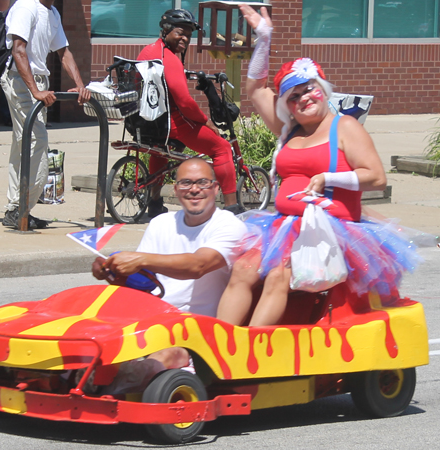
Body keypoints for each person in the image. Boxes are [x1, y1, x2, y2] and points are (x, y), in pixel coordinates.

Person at [217, 4, 421, 327]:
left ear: (323, 90)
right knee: (242, 269)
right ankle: (218, 346)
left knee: (277, 276)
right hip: (283, 225)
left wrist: (327, 177)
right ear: (288, 108)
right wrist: (264, 38)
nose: (304, 99)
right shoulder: (290, 129)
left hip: (327, 230)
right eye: (294, 97)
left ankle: (250, 354)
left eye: (309, 89)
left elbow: (377, 177)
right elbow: (255, 90)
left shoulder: (345, 127)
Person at [91, 157, 247, 391]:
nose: (194, 190)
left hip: (197, 335)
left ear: (216, 188)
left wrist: (140, 258)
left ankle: (109, 389)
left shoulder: (229, 226)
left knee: (164, 358)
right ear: (175, 190)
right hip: (152, 324)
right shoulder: (161, 223)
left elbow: (197, 266)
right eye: (186, 183)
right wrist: (110, 271)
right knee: (93, 336)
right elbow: (143, 280)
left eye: (202, 183)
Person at [136, 9, 242, 218]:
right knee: (221, 148)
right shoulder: (170, 58)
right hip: (174, 123)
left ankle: (155, 204)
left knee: (160, 152)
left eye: (188, 34)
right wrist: (206, 122)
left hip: (150, 121)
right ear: (166, 30)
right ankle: (232, 207)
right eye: (179, 32)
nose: (184, 38)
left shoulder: (148, 51)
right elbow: (184, 102)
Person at [0, 0, 90, 229]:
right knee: (36, 142)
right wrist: (35, 91)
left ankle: (16, 208)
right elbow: (18, 49)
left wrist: (80, 85)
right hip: (21, 81)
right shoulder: (25, 7)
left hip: (39, 82)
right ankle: (20, 209)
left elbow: (64, 52)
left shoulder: (52, 13)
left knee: (24, 144)